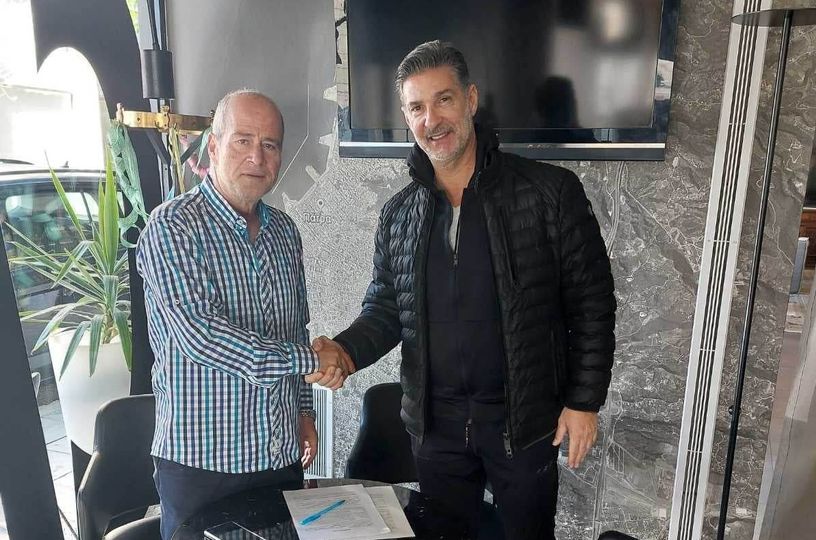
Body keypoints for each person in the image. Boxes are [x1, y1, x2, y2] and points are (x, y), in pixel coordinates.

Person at [314, 41, 616, 539]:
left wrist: (584, 402)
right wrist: (344, 352)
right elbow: (387, 309)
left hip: (524, 424)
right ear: (407, 118)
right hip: (438, 431)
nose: (431, 119)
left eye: (444, 99)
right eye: (416, 107)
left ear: (471, 100)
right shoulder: (398, 214)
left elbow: (592, 305)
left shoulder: (549, 193)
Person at [136, 89, 352, 539]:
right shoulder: (171, 227)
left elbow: (296, 329)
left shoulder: (285, 233)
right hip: (204, 468)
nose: (258, 156)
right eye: (243, 140)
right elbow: (202, 337)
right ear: (214, 146)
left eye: (270, 144)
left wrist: (303, 410)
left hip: (280, 460)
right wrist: (313, 361)